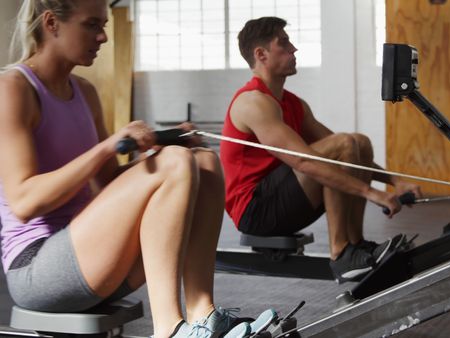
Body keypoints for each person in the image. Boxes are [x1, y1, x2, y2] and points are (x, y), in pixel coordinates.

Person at [0, 1, 258, 337]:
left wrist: (164, 148)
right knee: (176, 162)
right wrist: (109, 147)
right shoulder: (14, 88)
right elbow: (23, 202)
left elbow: (106, 183)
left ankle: (201, 314)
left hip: (92, 255)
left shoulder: (85, 92)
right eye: (92, 25)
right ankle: (167, 329)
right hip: (36, 269)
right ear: (52, 23)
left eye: (103, 25)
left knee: (203, 162)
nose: (104, 36)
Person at [220, 17, 423, 284]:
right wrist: (373, 193)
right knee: (344, 144)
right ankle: (341, 253)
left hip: (284, 198)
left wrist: (395, 181)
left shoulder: (293, 104)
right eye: (284, 43)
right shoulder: (253, 102)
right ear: (261, 55)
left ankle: (355, 245)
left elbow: (349, 153)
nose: (294, 49)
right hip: (256, 211)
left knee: (358, 142)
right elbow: (304, 162)